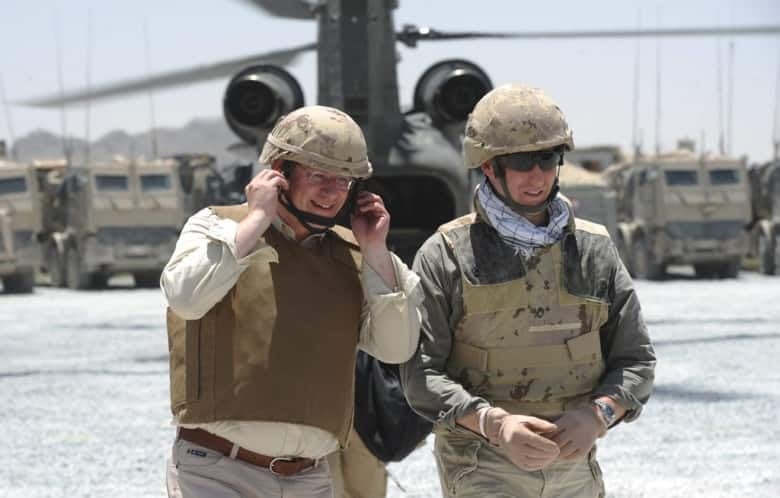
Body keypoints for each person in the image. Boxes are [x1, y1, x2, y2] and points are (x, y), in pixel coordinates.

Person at [400, 84, 656, 498]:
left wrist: (599, 414)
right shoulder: (446, 253)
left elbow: (636, 361)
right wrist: (495, 424)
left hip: (573, 470)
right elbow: (420, 376)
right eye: (520, 162)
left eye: (547, 158)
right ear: (488, 167)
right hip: (482, 466)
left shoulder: (593, 249)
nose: (537, 174)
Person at [162, 105, 423, 498]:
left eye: (344, 181)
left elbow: (395, 346)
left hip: (309, 478)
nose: (332, 192)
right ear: (279, 173)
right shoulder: (217, 225)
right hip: (218, 472)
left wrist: (375, 252)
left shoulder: (357, 255)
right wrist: (255, 221)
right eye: (319, 175)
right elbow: (186, 297)